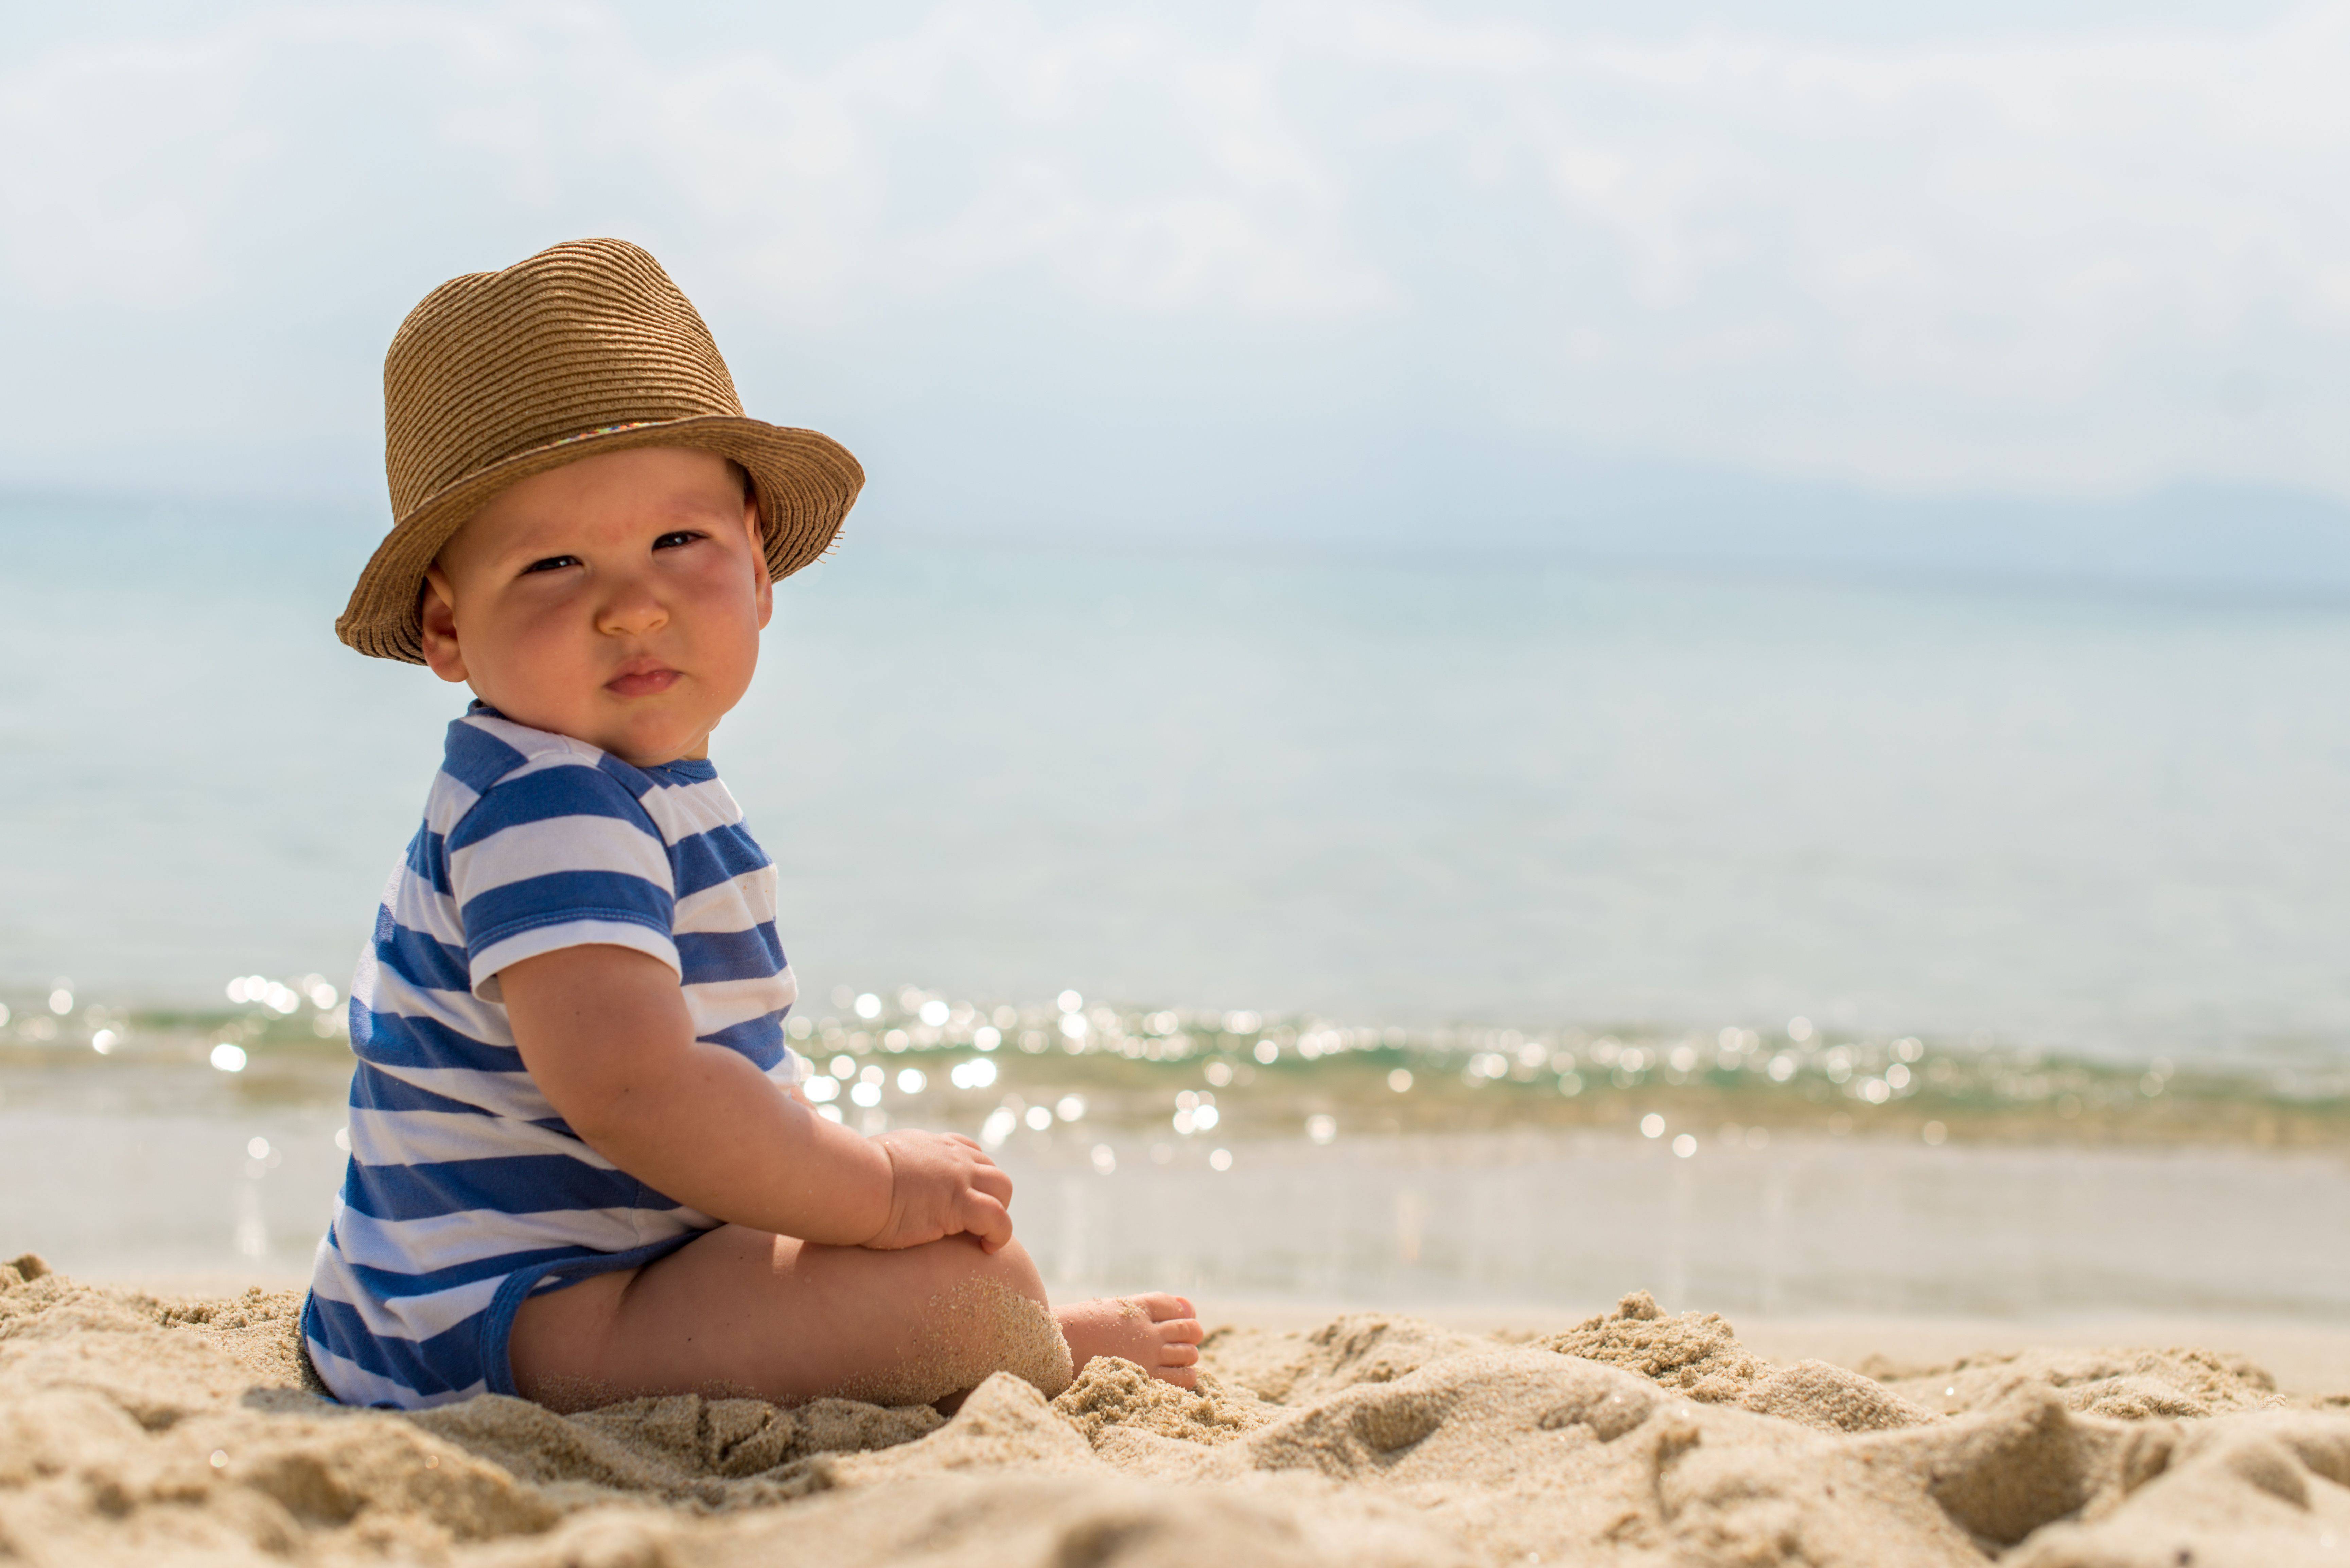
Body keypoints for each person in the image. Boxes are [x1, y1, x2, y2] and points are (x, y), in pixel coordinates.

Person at [302, 237, 1202, 1412]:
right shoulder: (546, 808)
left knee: (944, 1253)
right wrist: (878, 1190)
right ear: (448, 628)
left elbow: (725, 1078)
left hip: (583, 1268)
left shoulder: (623, 785)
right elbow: (637, 1093)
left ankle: (1008, 1333)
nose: (633, 607)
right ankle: (1030, 1351)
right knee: (951, 1288)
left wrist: (851, 1192)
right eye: (555, 564)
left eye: (678, 543)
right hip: (503, 1318)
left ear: (759, 571)